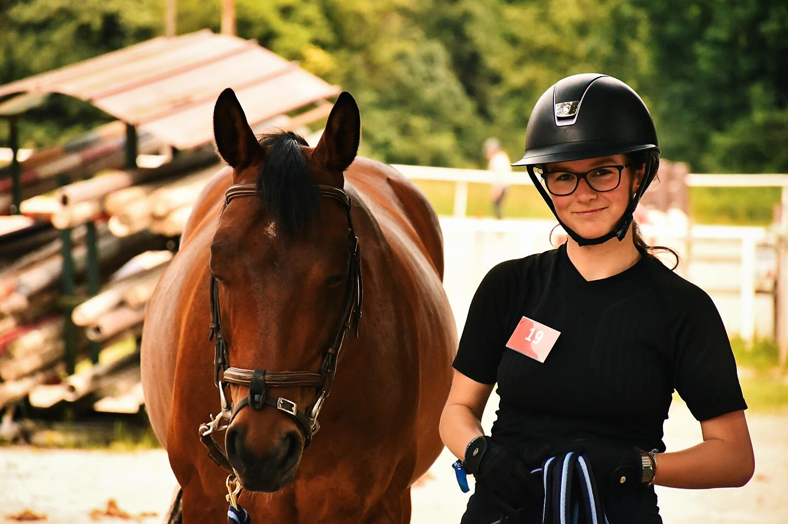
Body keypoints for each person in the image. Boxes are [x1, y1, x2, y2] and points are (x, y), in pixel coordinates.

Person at [439, 73, 754, 523]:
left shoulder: (683, 309)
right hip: (501, 511)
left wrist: (638, 468)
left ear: (638, 173)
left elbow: (734, 457)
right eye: (563, 177)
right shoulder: (507, 286)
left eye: (602, 172)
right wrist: (479, 454)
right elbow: (456, 409)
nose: (582, 194)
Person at [484, 138, 511, 219]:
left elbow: (501, 175)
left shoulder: (498, 159)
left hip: (500, 187)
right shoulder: (501, 157)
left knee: (497, 208)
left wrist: (498, 190)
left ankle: (500, 229)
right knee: (497, 208)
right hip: (502, 186)